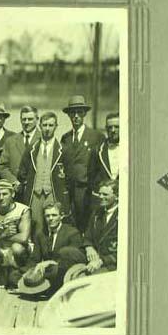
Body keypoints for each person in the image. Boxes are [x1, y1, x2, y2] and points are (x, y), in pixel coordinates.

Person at [18, 111, 74, 233]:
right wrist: (29, 185)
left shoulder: (63, 150)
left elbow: (70, 177)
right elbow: (22, 172)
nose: (47, 128)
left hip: (53, 193)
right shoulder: (32, 149)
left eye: (50, 125)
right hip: (35, 194)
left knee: (53, 225)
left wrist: (62, 191)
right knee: (36, 227)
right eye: (45, 125)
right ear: (39, 126)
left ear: (56, 126)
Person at [59, 95, 106, 232]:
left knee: (87, 225)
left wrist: (95, 188)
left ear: (84, 114)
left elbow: (101, 165)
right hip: (69, 191)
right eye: (73, 113)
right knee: (71, 224)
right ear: (69, 115)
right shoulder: (66, 138)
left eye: (79, 112)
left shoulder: (96, 136)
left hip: (87, 190)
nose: (76, 116)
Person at [27, 201, 86, 293]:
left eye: (54, 215)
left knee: (59, 263)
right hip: (47, 271)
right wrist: (31, 271)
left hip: (66, 270)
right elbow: (35, 258)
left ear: (61, 216)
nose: (50, 219)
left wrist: (50, 262)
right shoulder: (41, 234)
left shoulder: (72, 232)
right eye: (47, 216)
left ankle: (49, 286)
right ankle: (46, 285)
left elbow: (74, 258)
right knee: (16, 276)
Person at [0, 105, 41, 191]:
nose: (26, 122)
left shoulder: (44, 140)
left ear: (37, 119)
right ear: (20, 120)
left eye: (30, 119)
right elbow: (2, 166)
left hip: (37, 190)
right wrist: (13, 181)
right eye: (24, 119)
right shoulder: (11, 141)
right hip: (16, 190)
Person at [88, 112, 121, 216]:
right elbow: (91, 177)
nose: (113, 130)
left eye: (117, 127)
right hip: (104, 202)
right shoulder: (97, 151)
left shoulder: (132, 149)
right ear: (106, 128)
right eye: (110, 127)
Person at [84, 179, 119, 274]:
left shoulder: (124, 216)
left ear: (117, 196)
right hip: (94, 257)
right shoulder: (97, 213)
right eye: (99, 194)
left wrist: (101, 261)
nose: (100, 197)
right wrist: (89, 247)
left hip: (111, 263)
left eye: (105, 195)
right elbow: (88, 236)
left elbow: (124, 252)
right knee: (67, 254)